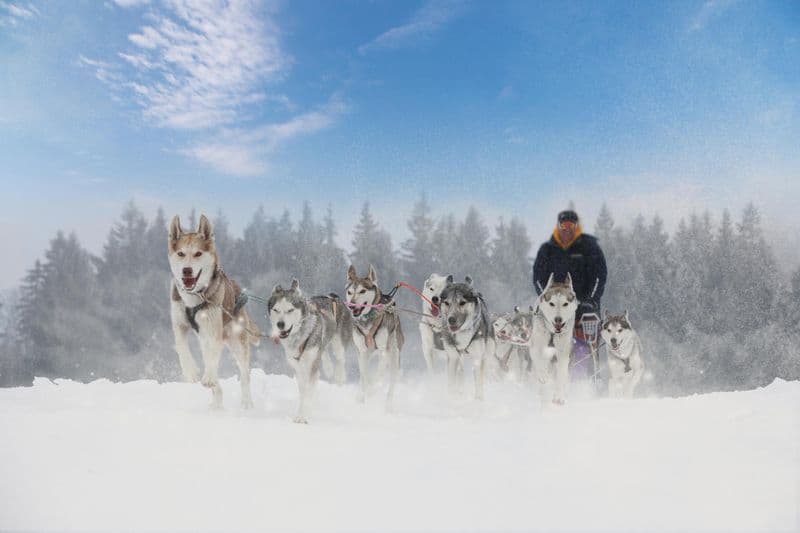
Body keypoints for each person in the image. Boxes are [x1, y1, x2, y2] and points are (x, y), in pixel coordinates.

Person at [532, 209, 607, 378]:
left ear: (576, 226)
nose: (567, 229)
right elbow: (538, 277)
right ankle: (545, 374)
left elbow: (599, 276)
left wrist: (591, 299)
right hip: (555, 304)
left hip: (584, 304)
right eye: (564, 225)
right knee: (545, 336)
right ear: (558, 226)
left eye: (571, 225)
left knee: (584, 340)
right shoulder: (547, 250)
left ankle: (584, 377)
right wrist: (545, 297)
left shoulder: (589, 247)